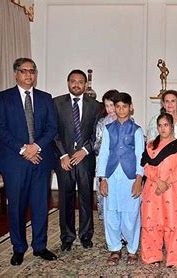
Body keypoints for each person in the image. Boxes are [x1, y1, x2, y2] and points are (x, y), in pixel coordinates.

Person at [0, 57, 58, 265]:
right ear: (16, 74)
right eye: (24, 71)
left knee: (40, 205)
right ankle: (18, 248)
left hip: (41, 159)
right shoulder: (3, 97)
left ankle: (40, 246)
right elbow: (0, 129)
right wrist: (24, 149)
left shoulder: (46, 98)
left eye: (32, 71)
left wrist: (35, 147)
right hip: (14, 161)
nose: (29, 74)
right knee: (17, 206)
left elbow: (52, 127)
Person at [53, 69, 100, 252]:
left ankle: (86, 235)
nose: (77, 84)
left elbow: (97, 133)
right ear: (68, 83)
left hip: (85, 159)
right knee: (65, 198)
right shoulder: (56, 103)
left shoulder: (95, 105)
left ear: (85, 84)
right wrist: (63, 154)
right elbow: (53, 132)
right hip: (64, 159)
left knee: (86, 198)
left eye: (80, 82)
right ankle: (67, 237)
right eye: (73, 81)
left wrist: (85, 150)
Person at [97, 92, 144, 266]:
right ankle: (115, 249)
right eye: (118, 106)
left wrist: (139, 179)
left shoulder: (137, 130)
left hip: (130, 177)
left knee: (131, 214)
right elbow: (103, 155)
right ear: (114, 109)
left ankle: (132, 250)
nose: (121, 109)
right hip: (111, 177)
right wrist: (102, 178)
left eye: (124, 106)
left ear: (130, 108)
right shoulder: (108, 129)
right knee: (111, 214)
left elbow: (141, 156)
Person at [140, 113, 177, 268]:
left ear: (172, 126)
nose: (162, 128)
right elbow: (146, 166)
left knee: (172, 224)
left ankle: (174, 259)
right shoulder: (150, 145)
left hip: (172, 190)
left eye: (165, 125)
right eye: (160, 125)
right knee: (151, 221)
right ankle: (152, 256)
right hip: (153, 189)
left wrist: (166, 182)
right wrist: (158, 181)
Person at [146, 90, 177, 233]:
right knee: (160, 203)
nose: (170, 104)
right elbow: (150, 147)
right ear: (163, 104)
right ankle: (160, 228)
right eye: (167, 101)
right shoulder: (155, 121)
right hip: (159, 172)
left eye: (173, 101)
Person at [94, 89, 120, 220]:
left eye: (112, 105)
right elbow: (96, 145)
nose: (110, 109)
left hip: (121, 165)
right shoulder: (102, 123)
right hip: (105, 163)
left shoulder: (128, 121)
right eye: (107, 105)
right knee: (105, 192)